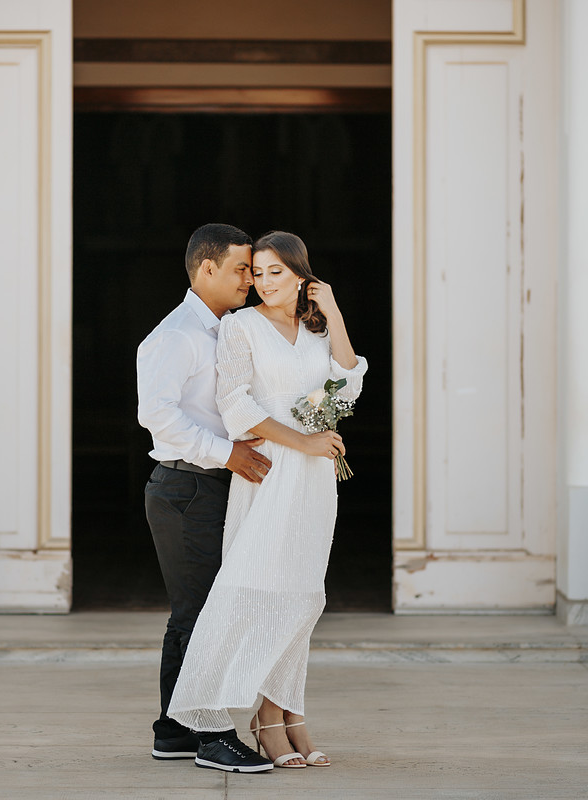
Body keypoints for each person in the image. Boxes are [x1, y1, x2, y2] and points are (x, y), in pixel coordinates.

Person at [167, 230, 367, 772]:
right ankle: (225, 713)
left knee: (303, 595)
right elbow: (234, 405)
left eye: (276, 271)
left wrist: (335, 312)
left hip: (315, 480)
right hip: (272, 471)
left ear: (302, 276)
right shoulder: (240, 326)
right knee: (258, 589)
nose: (262, 281)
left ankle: (282, 713)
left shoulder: (316, 328)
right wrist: (303, 440)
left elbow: (347, 388)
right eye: (256, 271)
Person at [136, 224, 274, 769]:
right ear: (206, 269)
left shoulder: (232, 331)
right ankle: (212, 737)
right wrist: (228, 454)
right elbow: (157, 416)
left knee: (196, 613)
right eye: (241, 268)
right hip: (186, 486)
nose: (250, 279)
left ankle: (174, 730)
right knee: (204, 615)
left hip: (210, 486)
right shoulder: (175, 336)